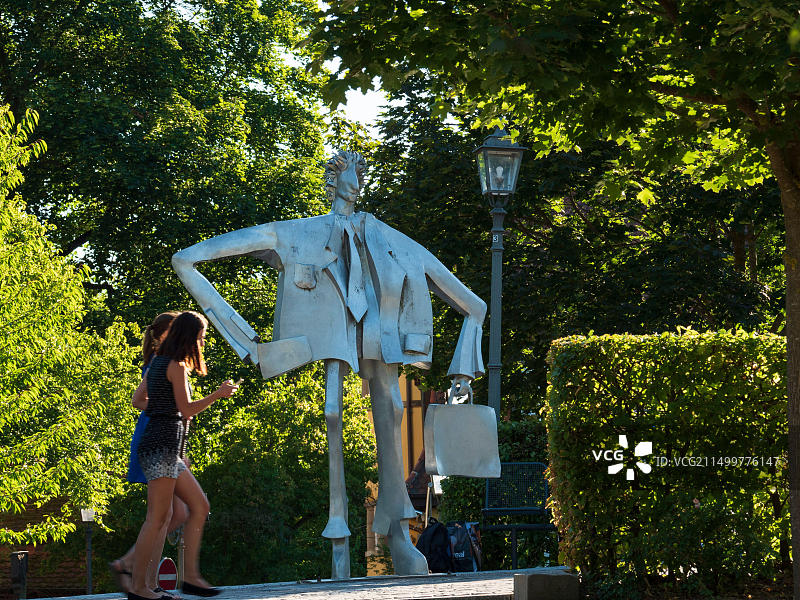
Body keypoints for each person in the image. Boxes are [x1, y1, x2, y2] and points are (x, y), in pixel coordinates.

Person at [172, 150, 486, 578]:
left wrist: (463, 369)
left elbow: (474, 305)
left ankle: (397, 534)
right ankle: (339, 541)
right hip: (333, 340)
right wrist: (246, 340)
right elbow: (185, 259)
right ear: (333, 182)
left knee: (392, 410)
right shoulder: (299, 233)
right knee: (333, 412)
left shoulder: (391, 240)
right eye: (350, 176)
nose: (357, 184)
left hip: (377, 338)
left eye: (362, 176)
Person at [128, 311, 238, 600]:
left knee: (199, 506)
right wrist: (218, 394)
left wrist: (163, 404)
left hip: (165, 448)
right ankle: (139, 588)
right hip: (162, 448)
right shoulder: (175, 365)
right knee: (157, 517)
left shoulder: (157, 363)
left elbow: (138, 400)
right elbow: (187, 410)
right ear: (189, 336)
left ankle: (190, 578)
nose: (202, 343)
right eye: (201, 337)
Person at [110, 312, 190, 595]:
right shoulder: (161, 362)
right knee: (164, 514)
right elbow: (142, 402)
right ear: (167, 334)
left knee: (173, 513)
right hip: (156, 438)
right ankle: (137, 574)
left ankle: (142, 575)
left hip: (166, 440)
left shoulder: (166, 361)